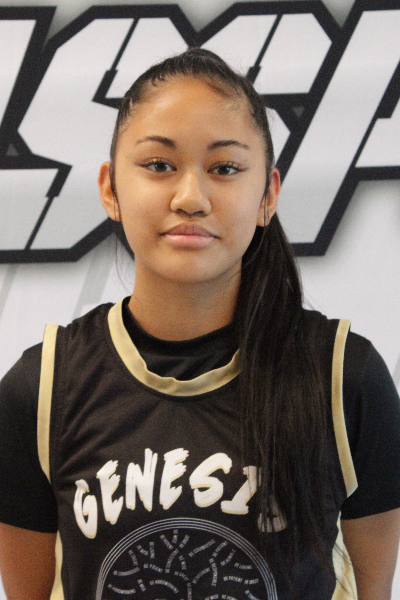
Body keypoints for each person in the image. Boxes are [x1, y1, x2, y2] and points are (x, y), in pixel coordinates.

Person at [0, 48, 400, 600]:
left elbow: (374, 588)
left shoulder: (344, 379)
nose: (191, 198)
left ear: (268, 194)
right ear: (110, 188)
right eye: (159, 165)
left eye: (225, 169)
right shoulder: (42, 390)